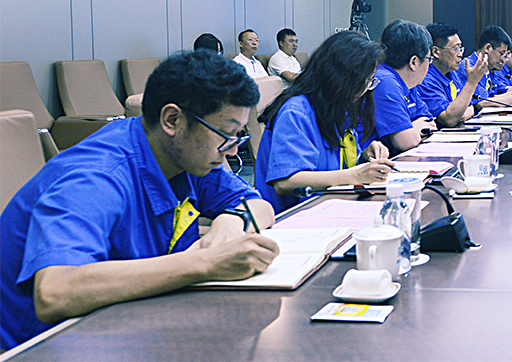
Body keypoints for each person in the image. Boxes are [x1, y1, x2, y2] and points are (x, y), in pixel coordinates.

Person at [1, 51, 279, 349]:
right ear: (172, 120)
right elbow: (56, 292)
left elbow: (259, 206)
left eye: (238, 136)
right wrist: (206, 262)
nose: (233, 151)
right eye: (225, 134)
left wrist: (232, 220)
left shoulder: (187, 154)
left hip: (124, 324)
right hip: (41, 345)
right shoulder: (95, 177)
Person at [254, 31, 394, 213]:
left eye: (370, 81)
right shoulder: (296, 112)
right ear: (340, 78)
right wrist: (355, 175)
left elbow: (339, 166)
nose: (367, 88)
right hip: (294, 217)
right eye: (365, 81)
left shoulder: (337, 108)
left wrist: (364, 157)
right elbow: (286, 182)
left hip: (330, 207)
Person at [373, 20, 437, 154]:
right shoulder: (385, 82)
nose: (429, 65)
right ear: (414, 62)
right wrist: (414, 128)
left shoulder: (408, 81)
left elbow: (430, 123)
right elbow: (406, 141)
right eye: (429, 59)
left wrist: (412, 129)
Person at [414, 23, 489, 128]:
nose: (460, 54)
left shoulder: (452, 73)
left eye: (460, 48)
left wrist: (461, 113)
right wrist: (472, 82)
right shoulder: (425, 79)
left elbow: (471, 106)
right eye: (455, 49)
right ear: (436, 52)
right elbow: (449, 119)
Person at [463, 25, 512, 107]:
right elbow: (481, 103)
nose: (504, 60)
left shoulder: (490, 68)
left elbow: (497, 94)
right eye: (502, 54)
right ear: (487, 48)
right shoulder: (469, 67)